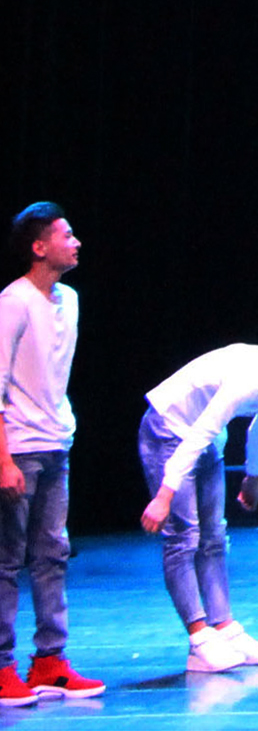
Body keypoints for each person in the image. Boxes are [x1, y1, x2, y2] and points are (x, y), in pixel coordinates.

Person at [137, 338, 258, 672]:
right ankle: (199, 639)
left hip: (207, 440)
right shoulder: (254, 381)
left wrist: (253, 476)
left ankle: (223, 627)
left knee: (214, 536)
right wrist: (165, 493)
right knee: (183, 538)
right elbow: (202, 428)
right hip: (169, 429)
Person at [0, 206, 96, 703]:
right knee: (6, 558)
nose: (76, 242)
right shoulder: (13, 302)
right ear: (39, 247)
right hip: (19, 447)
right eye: (66, 235)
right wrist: (3, 460)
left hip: (57, 442)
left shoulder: (70, 299)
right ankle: (1, 665)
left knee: (52, 555)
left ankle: (49, 662)